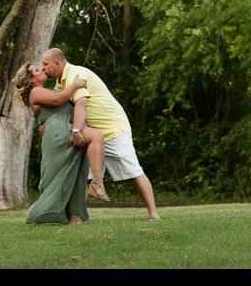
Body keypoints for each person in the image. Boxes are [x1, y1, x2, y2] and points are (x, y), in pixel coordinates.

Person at [41, 47, 160, 221]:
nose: (43, 68)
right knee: (79, 174)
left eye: (45, 65)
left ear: (57, 63)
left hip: (113, 129)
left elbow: (81, 105)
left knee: (133, 171)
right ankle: (77, 218)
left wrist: (75, 131)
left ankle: (153, 214)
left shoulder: (76, 74)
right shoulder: (61, 83)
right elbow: (59, 107)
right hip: (93, 135)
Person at [14, 63, 91, 225]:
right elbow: (58, 100)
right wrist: (75, 85)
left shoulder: (50, 89)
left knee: (75, 170)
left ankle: (75, 215)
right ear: (31, 80)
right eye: (37, 70)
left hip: (65, 129)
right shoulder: (35, 92)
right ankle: (42, 212)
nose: (42, 69)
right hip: (58, 134)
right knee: (58, 174)